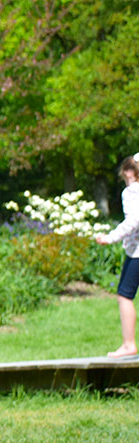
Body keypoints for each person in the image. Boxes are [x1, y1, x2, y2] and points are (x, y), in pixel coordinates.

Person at [94, 153, 139, 360]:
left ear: (129, 172)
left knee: (124, 295)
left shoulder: (131, 191)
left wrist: (110, 237)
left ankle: (129, 344)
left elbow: (132, 222)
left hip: (137, 253)